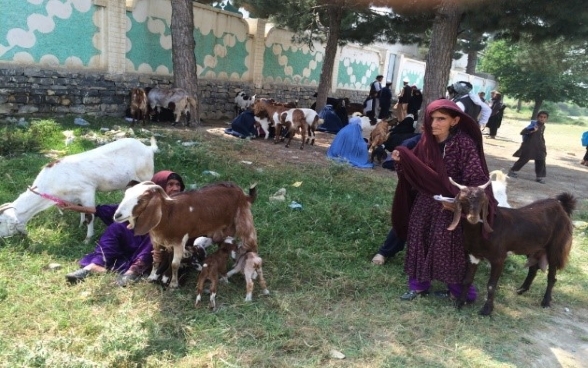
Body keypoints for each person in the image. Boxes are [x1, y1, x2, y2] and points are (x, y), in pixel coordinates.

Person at [390, 99, 497, 301]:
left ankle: (460, 292)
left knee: (449, 246)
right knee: (418, 238)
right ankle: (419, 286)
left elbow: (475, 180)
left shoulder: (464, 144)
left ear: (454, 121)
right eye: (432, 118)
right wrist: (400, 161)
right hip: (426, 201)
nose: (435, 124)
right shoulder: (425, 142)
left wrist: (457, 202)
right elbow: (415, 174)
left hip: (454, 207)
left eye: (441, 119)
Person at [62, 170, 185, 286]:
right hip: (131, 240)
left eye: (178, 184)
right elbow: (105, 210)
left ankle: (134, 271)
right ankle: (97, 264)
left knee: (155, 233)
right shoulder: (143, 202)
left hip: (153, 250)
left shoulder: (182, 208)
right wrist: (74, 207)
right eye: (170, 184)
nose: (175, 188)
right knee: (116, 227)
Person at [508, 111, 549, 183]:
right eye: (541, 117)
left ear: (546, 119)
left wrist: (543, 145)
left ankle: (539, 177)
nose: (542, 118)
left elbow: (541, 136)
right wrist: (532, 130)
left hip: (539, 146)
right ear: (538, 117)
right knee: (524, 159)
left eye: (544, 117)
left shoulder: (543, 126)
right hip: (529, 146)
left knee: (541, 159)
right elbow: (522, 132)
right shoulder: (534, 125)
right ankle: (512, 170)